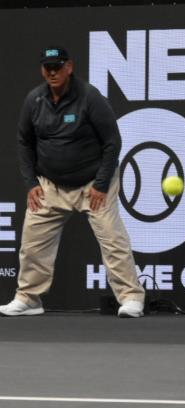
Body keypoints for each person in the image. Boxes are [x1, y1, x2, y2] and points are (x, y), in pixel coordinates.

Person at [0, 46, 145, 318]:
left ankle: (131, 298)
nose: (53, 72)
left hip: (92, 184)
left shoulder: (90, 97)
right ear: (42, 70)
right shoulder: (34, 100)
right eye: (48, 67)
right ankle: (29, 299)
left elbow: (113, 142)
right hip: (50, 185)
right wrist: (31, 183)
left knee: (113, 240)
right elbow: (24, 143)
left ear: (69, 67)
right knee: (32, 244)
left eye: (58, 66)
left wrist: (101, 184)